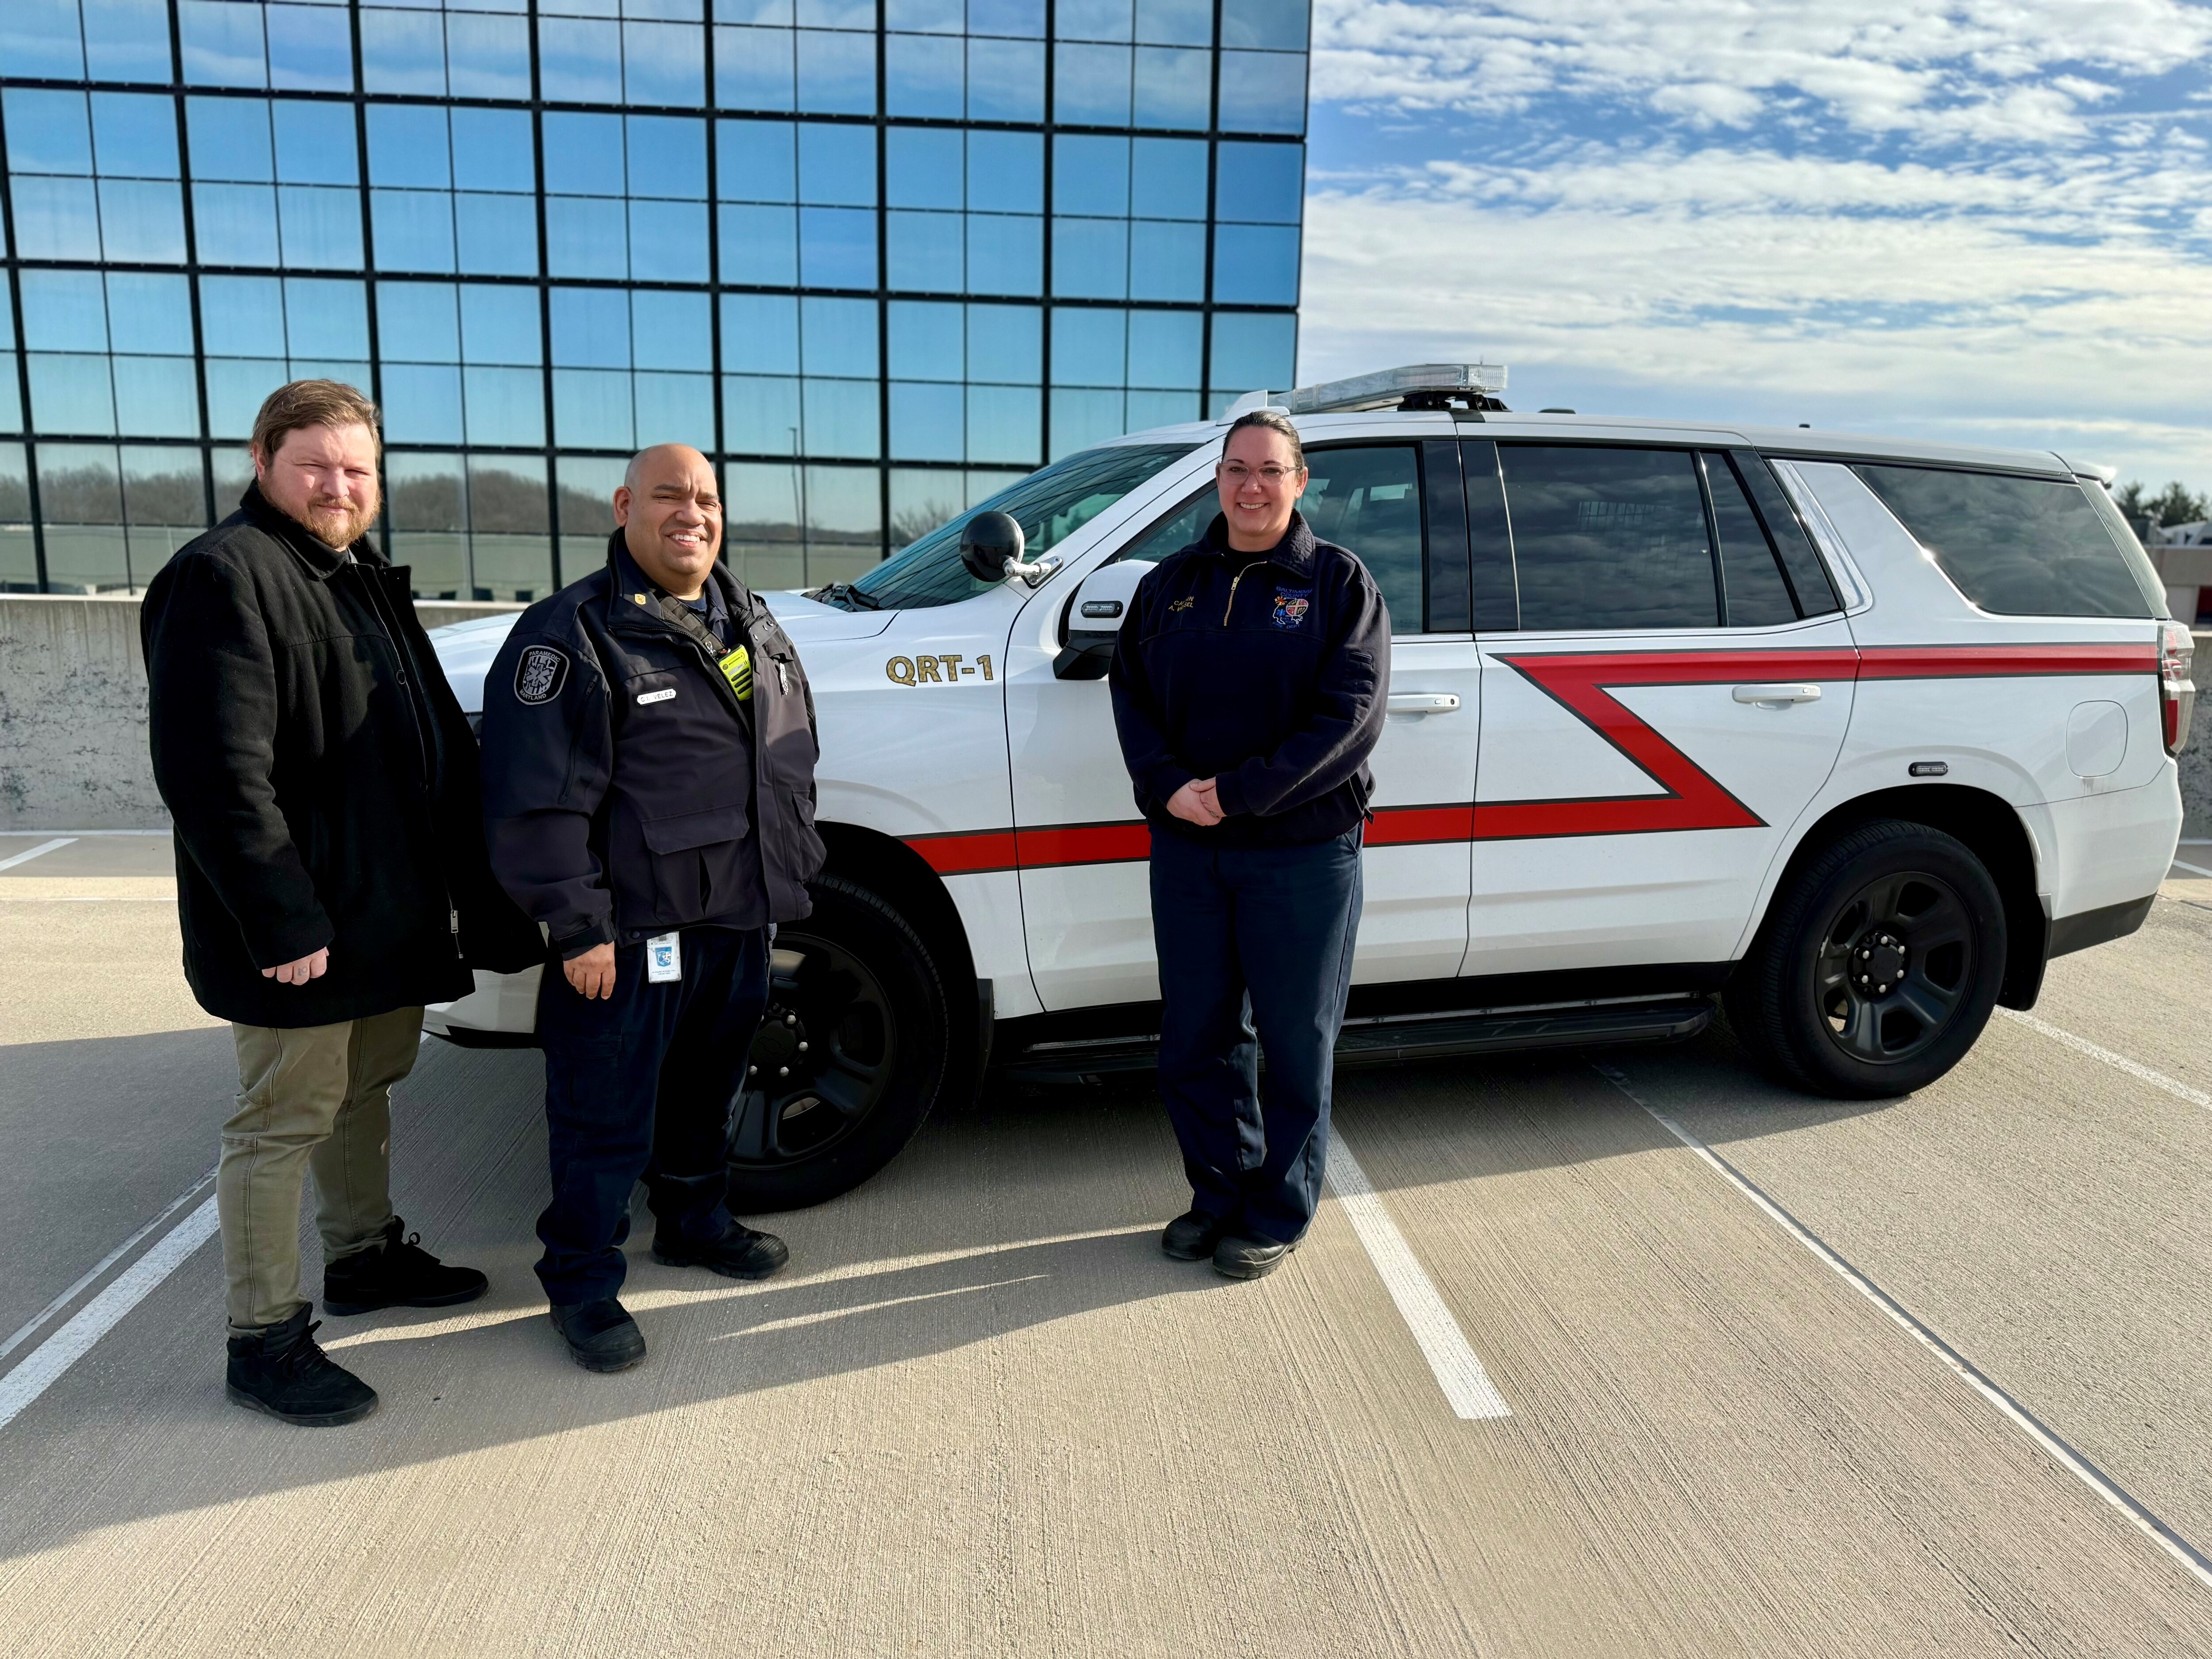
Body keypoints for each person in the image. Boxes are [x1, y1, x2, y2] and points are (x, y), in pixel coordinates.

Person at [142, 380, 541, 1426]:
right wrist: (281, 921)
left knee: (367, 1089)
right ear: (264, 459)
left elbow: (430, 752)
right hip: (304, 930)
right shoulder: (224, 577)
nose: (338, 485)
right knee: (281, 1122)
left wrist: (476, 896)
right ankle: (263, 1337)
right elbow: (213, 775)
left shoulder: (354, 574)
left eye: (357, 469)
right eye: (315, 464)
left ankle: (364, 1255)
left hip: (385, 915)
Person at [479, 443, 826, 1373]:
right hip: (630, 937)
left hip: (736, 918)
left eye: (706, 497)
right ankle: (583, 1283)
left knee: (709, 1089)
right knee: (605, 1115)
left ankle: (694, 1222)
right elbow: (537, 799)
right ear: (626, 505)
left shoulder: (747, 619)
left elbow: (786, 758)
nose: (692, 513)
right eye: (669, 495)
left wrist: (786, 874)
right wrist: (577, 925)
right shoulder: (574, 633)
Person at [1108, 411, 1390, 1279]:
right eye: (1236, 468)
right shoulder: (1169, 585)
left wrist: (1236, 794)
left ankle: (1277, 1209)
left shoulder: (1337, 584)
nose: (1251, 485)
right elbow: (1131, 696)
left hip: (1302, 852)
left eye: (1270, 469)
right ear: (1217, 480)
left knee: (1294, 1038)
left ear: (1299, 482)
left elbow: (1349, 718)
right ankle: (1217, 1194)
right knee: (1195, 1033)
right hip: (1189, 850)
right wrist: (1166, 788)